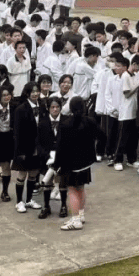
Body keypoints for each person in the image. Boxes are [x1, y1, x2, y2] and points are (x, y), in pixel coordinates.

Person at [56, 96, 104, 230]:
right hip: (86, 163)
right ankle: (81, 215)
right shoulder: (90, 122)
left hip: (71, 163)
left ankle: (76, 219)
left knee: (72, 190)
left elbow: (60, 147)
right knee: (81, 188)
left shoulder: (65, 124)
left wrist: (57, 164)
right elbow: (102, 136)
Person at [11, 82, 44, 213]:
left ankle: (29, 200)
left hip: (38, 146)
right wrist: (20, 151)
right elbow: (17, 133)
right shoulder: (21, 109)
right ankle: (19, 201)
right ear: (27, 93)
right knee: (22, 174)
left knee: (34, 173)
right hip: (24, 148)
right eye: (33, 91)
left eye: (37, 91)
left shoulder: (42, 106)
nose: (35, 94)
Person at [36, 96, 67, 219]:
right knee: (47, 182)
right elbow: (39, 142)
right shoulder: (42, 123)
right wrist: (46, 156)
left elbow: (68, 140)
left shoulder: (66, 121)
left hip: (62, 156)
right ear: (48, 108)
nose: (55, 109)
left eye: (57, 107)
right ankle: (46, 206)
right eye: (52, 107)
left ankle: (64, 205)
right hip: (47, 157)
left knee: (62, 181)